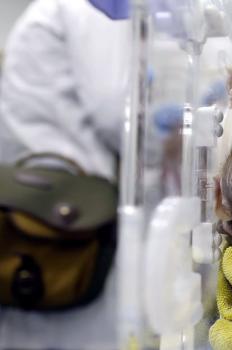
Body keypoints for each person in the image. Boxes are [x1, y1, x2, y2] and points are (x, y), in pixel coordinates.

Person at [0, 0, 129, 348]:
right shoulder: (83, 10)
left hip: (35, 201)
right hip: (71, 214)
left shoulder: (50, 11)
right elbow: (118, 113)